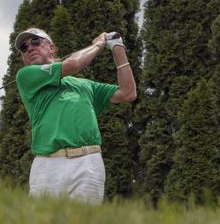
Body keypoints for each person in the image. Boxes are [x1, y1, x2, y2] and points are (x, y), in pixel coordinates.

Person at [14, 27, 137, 204]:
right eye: (24, 48)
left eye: (35, 41)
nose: (29, 48)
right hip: (47, 166)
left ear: (52, 48)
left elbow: (128, 93)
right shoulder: (25, 76)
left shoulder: (86, 85)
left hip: (88, 164)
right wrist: (98, 45)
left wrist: (117, 47)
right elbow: (73, 64)